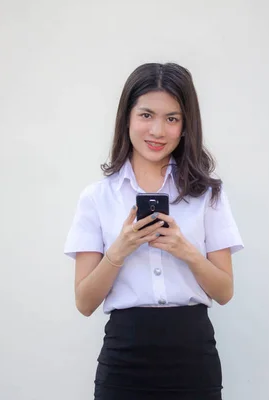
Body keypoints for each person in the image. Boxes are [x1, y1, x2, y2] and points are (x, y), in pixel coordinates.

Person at [64, 62, 244, 400]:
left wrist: (185, 249)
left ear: (186, 125)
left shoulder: (208, 195)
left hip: (193, 358)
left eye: (172, 118)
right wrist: (118, 251)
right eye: (146, 115)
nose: (158, 131)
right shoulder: (97, 197)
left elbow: (224, 291)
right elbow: (85, 302)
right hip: (124, 359)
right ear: (127, 118)